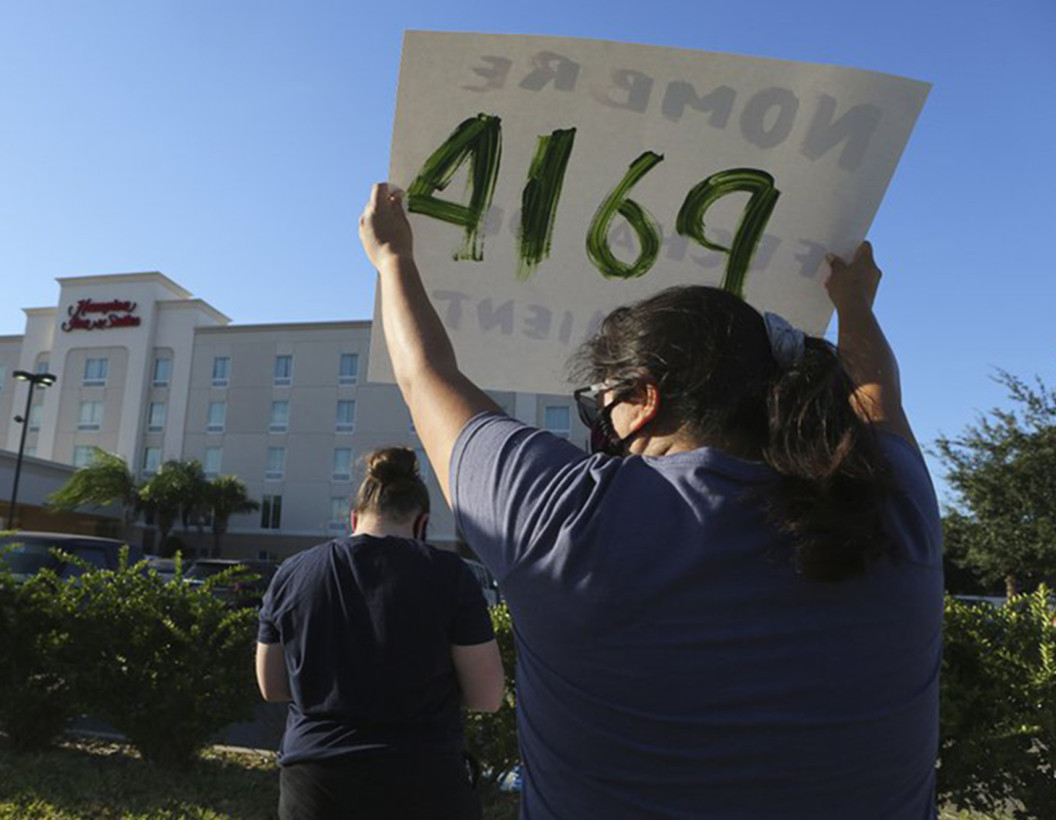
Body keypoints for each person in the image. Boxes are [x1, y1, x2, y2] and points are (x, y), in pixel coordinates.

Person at [359, 183, 942, 819]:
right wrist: (854, 304)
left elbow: (425, 379)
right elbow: (877, 396)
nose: (599, 425)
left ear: (645, 399)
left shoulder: (561, 518)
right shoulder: (894, 505)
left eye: (599, 405)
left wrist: (393, 260)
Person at [256, 446, 504, 820]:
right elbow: (487, 696)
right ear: (422, 524)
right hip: (425, 779)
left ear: (353, 520)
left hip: (317, 782)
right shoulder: (451, 576)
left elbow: (271, 685)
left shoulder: (293, 572)